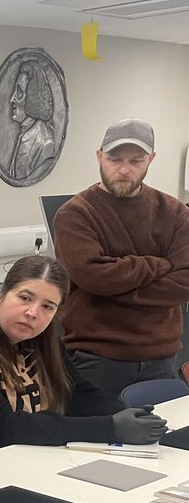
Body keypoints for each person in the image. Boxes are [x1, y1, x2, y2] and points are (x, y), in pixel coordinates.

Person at [0, 255, 166, 453]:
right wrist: (109, 427)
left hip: (32, 456)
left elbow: (78, 392)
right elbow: (0, 427)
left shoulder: (41, 340)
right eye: (25, 298)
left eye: (47, 306)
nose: (32, 313)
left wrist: (123, 414)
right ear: (1, 296)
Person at [53, 118, 189, 400]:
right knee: (93, 429)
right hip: (97, 357)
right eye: (114, 159)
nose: (124, 169)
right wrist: (159, 265)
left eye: (135, 161)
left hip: (162, 357)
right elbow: (94, 278)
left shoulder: (175, 213)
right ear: (99, 156)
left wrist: (117, 286)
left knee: (165, 429)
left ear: (151, 159)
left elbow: (185, 280)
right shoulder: (75, 214)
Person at [8, 61, 56, 182]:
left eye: (19, 92)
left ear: (32, 97)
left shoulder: (45, 143)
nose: (12, 99)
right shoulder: (25, 134)